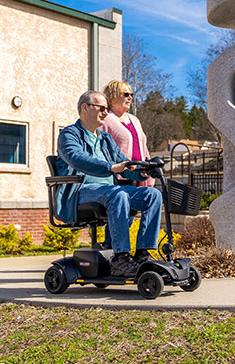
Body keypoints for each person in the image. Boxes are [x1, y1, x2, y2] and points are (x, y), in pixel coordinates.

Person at [55, 90, 162, 278]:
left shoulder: (104, 139)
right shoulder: (69, 135)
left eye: (106, 108)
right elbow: (77, 159)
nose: (106, 112)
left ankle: (142, 254)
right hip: (80, 191)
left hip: (108, 191)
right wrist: (111, 167)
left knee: (152, 195)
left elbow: (123, 163)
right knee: (117, 193)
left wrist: (142, 170)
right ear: (85, 108)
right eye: (101, 108)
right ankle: (120, 257)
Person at [99, 80, 155, 187]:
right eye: (126, 94)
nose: (130, 97)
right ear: (113, 96)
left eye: (131, 95)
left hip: (139, 176)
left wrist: (149, 169)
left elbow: (144, 148)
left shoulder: (135, 119)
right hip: (118, 178)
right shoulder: (105, 119)